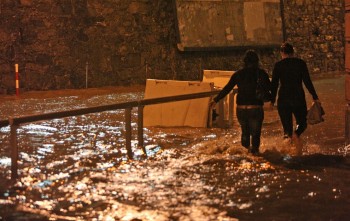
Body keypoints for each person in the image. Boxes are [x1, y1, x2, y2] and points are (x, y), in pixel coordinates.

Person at [210, 50, 271, 155]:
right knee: (256, 134)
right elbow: (270, 88)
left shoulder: (238, 74)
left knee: (245, 132)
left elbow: (227, 88)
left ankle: (246, 153)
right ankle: (255, 155)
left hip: (241, 108)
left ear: (245, 62)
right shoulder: (261, 74)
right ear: (257, 61)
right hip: (255, 108)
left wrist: (216, 99)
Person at [270, 42, 320, 155]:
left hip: (283, 99)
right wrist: (314, 96)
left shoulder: (278, 65)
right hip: (298, 98)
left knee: (286, 129)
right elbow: (307, 81)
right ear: (293, 52)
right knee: (302, 124)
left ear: (282, 53)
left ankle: (286, 153)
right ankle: (296, 136)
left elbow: (274, 84)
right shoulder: (301, 63)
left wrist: (272, 100)